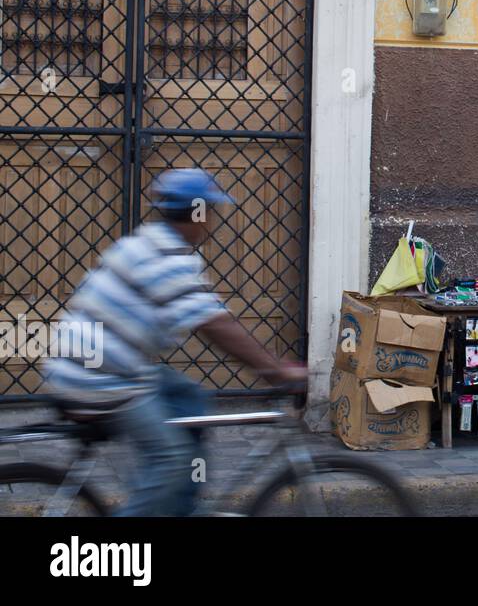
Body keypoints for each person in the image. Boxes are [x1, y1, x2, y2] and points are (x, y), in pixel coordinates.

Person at [41, 168, 307, 515]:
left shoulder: (152, 242)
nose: (214, 221)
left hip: (104, 369)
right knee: (173, 460)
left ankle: (179, 505)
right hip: (99, 381)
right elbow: (214, 324)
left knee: (188, 395)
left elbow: (206, 312)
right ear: (198, 213)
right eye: (212, 211)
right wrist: (276, 371)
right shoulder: (167, 258)